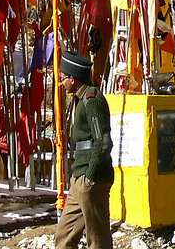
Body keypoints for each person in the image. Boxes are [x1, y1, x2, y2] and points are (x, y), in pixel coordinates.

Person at [55, 51, 113, 249]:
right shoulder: (78, 100)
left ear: (73, 78)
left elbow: (102, 141)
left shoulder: (92, 99)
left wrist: (90, 176)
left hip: (91, 178)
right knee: (64, 236)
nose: (62, 83)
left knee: (97, 241)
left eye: (63, 79)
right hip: (79, 176)